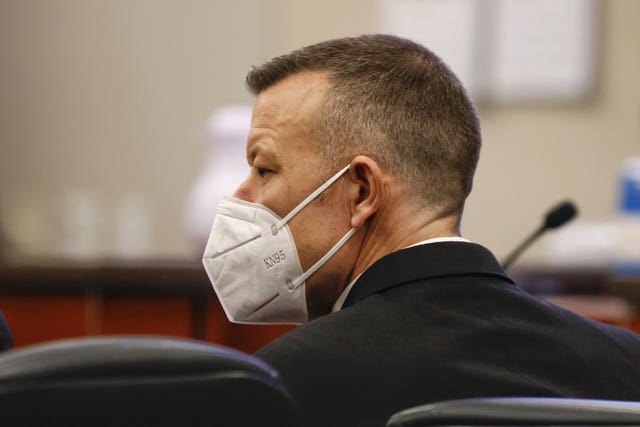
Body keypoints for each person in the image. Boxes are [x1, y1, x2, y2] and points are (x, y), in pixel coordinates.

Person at [202, 34, 640, 427]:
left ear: (361, 192)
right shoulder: (625, 362)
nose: (241, 196)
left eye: (264, 169)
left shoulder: (283, 386)